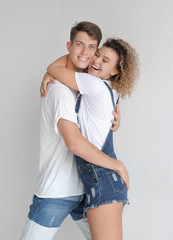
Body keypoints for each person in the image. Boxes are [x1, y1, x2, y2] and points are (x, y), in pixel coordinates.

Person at [20, 21, 127, 240]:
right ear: (69, 46)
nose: (88, 54)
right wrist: (117, 165)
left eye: (92, 48)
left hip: (85, 187)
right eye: (80, 45)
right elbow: (74, 142)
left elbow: (101, 96)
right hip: (58, 189)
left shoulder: (85, 86)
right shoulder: (61, 90)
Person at [43, 38, 139, 240]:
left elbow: (54, 67)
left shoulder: (92, 83)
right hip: (101, 177)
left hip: (102, 176)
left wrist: (49, 72)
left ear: (114, 72)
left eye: (105, 60)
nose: (96, 61)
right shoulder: (109, 90)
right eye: (97, 54)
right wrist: (49, 74)